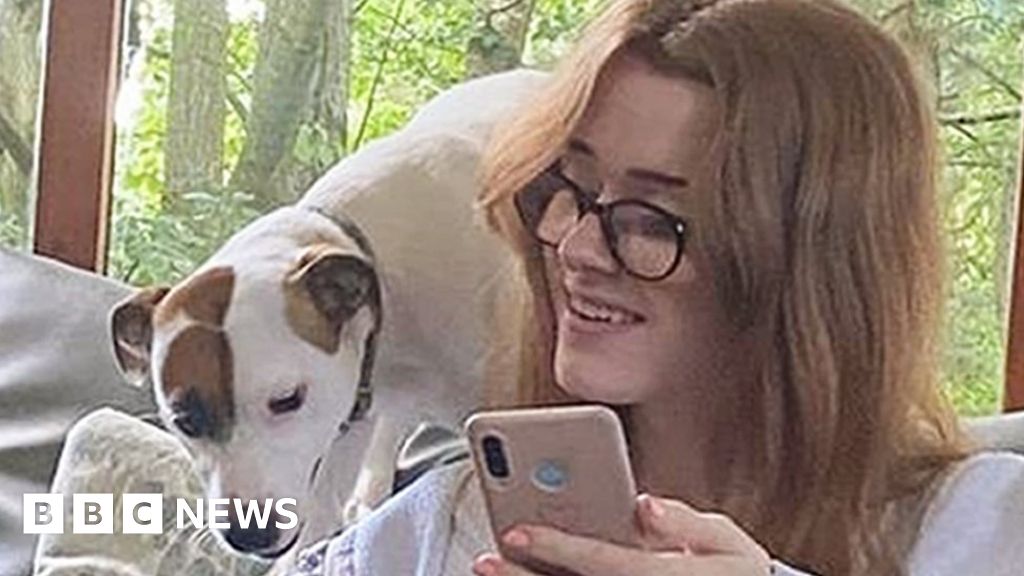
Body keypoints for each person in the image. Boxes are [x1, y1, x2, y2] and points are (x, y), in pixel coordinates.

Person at [289, 0, 1024, 574]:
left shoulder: (984, 528)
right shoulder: (443, 530)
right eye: (566, 186)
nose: (576, 247)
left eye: (650, 219)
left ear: (812, 267)